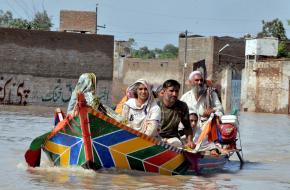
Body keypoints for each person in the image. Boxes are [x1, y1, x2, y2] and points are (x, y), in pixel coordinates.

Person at [181, 70, 224, 152]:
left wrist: (212, 111)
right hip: (188, 133)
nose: (199, 82)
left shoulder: (211, 95)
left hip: (206, 134)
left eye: (201, 80)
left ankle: (212, 148)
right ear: (190, 82)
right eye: (196, 80)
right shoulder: (185, 97)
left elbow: (221, 111)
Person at [157, 79, 195, 148]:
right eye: (171, 91)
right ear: (164, 91)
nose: (174, 94)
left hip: (172, 139)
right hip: (156, 137)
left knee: (177, 145)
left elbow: (187, 127)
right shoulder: (155, 104)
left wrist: (190, 141)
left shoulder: (182, 106)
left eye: (176, 91)